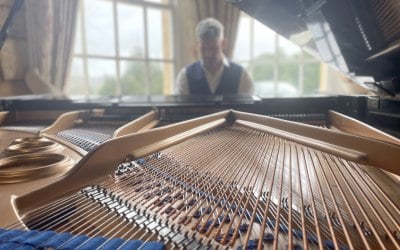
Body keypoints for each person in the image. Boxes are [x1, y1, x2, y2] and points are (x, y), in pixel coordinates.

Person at [174, 17, 254, 95]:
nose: (209, 54)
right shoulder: (185, 76)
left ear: (223, 43)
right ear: (198, 45)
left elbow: (247, 108)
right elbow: (179, 108)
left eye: (214, 48)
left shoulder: (241, 76)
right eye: (204, 49)